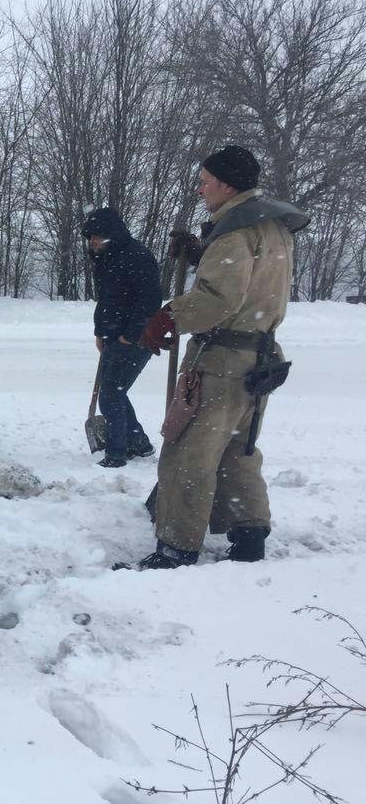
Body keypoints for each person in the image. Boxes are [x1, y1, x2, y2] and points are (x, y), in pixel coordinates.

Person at [126, 146, 309, 570]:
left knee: (190, 450)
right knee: (236, 447)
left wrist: (170, 314)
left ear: (227, 184)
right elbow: (251, 280)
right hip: (259, 356)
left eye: (205, 181)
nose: (200, 187)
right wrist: (201, 252)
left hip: (222, 360)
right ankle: (248, 535)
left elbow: (220, 299)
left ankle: (176, 548)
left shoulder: (235, 231)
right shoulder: (271, 224)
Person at [82, 207, 163, 468]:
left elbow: (149, 303)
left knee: (110, 395)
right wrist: (101, 331)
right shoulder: (106, 258)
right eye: (91, 238)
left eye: (98, 237)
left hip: (136, 339)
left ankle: (117, 454)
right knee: (116, 391)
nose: (93, 243)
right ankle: (139, 443)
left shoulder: (138, 258)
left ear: (113, 235)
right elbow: (108, 300)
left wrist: (129, 336)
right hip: (113, 336)